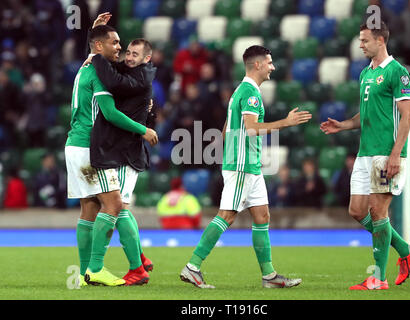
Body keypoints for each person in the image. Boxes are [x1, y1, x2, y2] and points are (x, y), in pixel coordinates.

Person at [180, 45, 312, 289]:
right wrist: (287, 122)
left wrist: (229, 152)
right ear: (258, 64)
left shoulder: (239, 92)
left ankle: (269, 276)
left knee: (262, 216)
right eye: (270, 62)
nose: (273, 67)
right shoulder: (250, 94)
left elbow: (227, 128)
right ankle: (192, 267)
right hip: (241, 165)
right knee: (227, 215)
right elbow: (251, 129)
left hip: (247, 165)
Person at [320, 21, 410, 290]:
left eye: (365, 40)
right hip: (365, 153)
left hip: (386, 153)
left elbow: (407, 116)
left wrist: (395, 155)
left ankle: (379, 278)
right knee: (356, 211)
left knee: (378, 211)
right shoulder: (366, 73)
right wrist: (343, 125)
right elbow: (365, 115)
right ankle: (405, 250)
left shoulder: (397, 72)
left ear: (380, 40)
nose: (361, 45)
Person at [65, 23, 158, 287]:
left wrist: (93, 32)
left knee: (90, 207)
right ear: (98, 46)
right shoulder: (97, 73)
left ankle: (84, 274)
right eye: (115, 43)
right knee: (116, 204)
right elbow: (110, 112)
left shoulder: (84, 67)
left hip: (74, 145)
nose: (120, 48)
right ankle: (96, 268)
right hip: (89, 148)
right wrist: (144, 129)